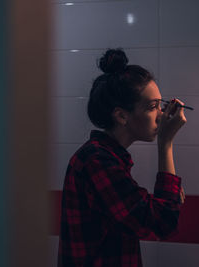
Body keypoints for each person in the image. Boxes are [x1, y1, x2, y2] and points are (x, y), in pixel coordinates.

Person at [58, 48, 186, 267]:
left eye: (160, 104)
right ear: (121, 115)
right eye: (152, 107)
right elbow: (163, 222)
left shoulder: (105, 157)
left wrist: (165, 202)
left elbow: (153, 214)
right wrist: (165, 143)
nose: (162, 114)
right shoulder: (97, 162)